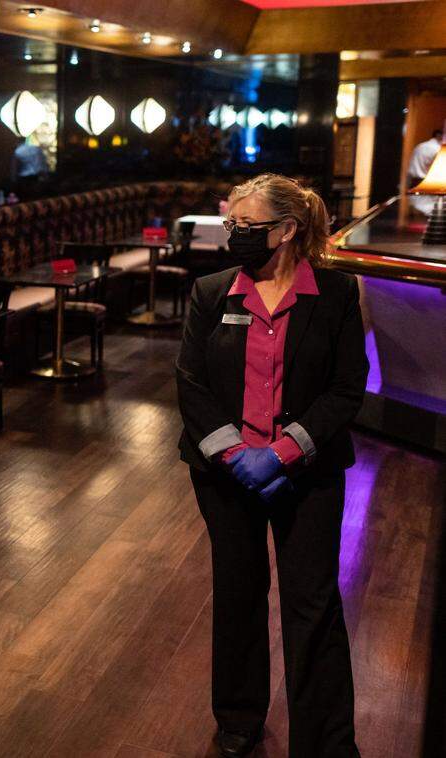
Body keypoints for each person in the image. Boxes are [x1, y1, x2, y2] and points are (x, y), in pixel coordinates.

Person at [175, 174, 367, 757]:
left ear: (287, 230)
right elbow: (191, 385)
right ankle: (238, 716)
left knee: (313, 604)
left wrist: (284, 453)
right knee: (237, 593)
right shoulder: (211, 294)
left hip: (306, 473)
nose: (234, 235)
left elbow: (344, 387)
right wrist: (237, 457)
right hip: (226, 474)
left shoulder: (335, 295)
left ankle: (327, 741)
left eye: (247, 227)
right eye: (230, 224)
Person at [409, 128, 443, 215]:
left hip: (414, 183)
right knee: (429, 214)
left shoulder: (420, 146)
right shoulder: (437, 149)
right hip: (428, 186)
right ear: (439, 136)